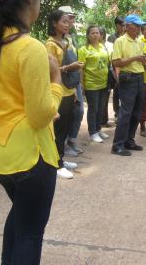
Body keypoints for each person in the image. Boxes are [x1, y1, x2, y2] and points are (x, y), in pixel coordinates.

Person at [0, 0, 61, 265]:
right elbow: (40, 116)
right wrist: (56, 82)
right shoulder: (30, 48)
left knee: (20, 220)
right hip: (30, 156)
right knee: (30, 233)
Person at [45, 10, 84, 178]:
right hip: (57, 91)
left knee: (66, 126)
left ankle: (60, 158)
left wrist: (74, 90)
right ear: (54, 23)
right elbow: (49, 72)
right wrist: (70, 67)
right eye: (64, 21)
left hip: (69, 90)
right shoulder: (50, 45)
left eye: (69, 22)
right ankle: (56, 164)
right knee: (58, 129)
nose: (68, 24)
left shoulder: (67, 41)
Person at [110, 14, 146, 156]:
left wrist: (144, 59)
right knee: (125, 112)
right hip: (128, 78)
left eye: (139, 26)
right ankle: (117, 145)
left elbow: (142, 62)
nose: (139, 28)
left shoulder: (140, 42)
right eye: (136, 25)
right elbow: (116, 63)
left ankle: (129, 140)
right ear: (128, 26)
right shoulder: (120, 41)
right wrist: (135, 58)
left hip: (140, 77)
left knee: (137, 112)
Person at [59, 5, 84, 156]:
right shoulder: (55, 41)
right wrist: (69, 68)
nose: (71, 20)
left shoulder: (71, 39)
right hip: (63, 82)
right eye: (68, 17)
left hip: (74, 81)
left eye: (73, 17)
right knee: (65, 114)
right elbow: (55, 67)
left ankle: (71, 141)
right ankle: (62, 147)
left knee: (78, 111)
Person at [78, 25, 110, 143]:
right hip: (91, 83)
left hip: (104, 82)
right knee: (93, 108)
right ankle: (92, 132)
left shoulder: (103, 47)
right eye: (93, 33)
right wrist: (82, 83)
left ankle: (98, 129)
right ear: (88, 35)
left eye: (97, 33)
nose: (96, 35)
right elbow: (80, 68)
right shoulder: (83, 49)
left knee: (101, 108)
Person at [107, 16, 125, 120]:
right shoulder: (112, 38)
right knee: (117, 91)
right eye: (123, 26)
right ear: (117, 26)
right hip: (114, 68)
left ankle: (123, 112)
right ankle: (117, 113)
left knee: (125, 92)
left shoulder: (127, 37)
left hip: (125, 67)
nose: (124, 28)